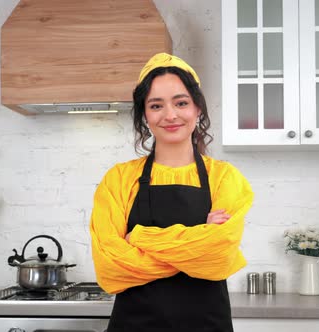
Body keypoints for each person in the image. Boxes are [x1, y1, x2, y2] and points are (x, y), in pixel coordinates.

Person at [90, 53, 254, 332]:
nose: (170, 115)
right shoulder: (118, 178)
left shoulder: (224, 177)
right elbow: (111, 268)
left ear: (197, 108)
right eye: (156, 105)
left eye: (181, 102)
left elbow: (218, 258)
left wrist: (140, 237)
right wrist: (198, 241)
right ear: (145, 114)